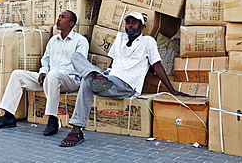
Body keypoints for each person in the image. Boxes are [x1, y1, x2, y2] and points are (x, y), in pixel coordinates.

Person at [60, 11, 188, 147]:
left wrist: (172, 90)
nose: (130, 26)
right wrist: (101, 74)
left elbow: (157, 66)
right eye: (128, 23)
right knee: (76, 56)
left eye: (134, 23)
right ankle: (95, 76)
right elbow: (114, 63)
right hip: (108, 78)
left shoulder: (148, 41)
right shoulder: (120, 38)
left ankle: (76, 130)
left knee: (87, 80)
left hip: (126, 85)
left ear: (141, 26)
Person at [0, 10, 89, 137]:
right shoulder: (53, 40)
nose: (58, 20)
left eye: (63, 18)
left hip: (70, 80)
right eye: (59, 17)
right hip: (51, 79)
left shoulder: (80, 41)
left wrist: (51, 74)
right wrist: (43, 72)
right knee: (18, 75)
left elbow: (80, 65)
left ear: (71, 23)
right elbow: (45, 60)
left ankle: (52, 119)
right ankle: (8, 116)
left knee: (53, 75)